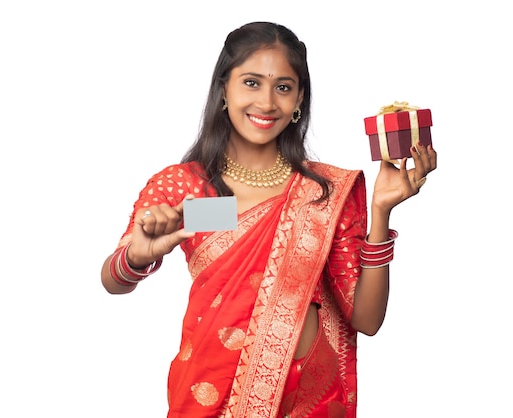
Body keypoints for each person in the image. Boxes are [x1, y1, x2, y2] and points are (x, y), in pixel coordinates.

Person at [100, 21, 437, 418]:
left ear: (298, 101)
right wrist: (137, 257)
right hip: (211, 397)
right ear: (223, 89)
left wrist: (380, 212)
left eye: (283, 87)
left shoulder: (324, 191)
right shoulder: (191, 189)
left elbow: (367, 318)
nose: (266, 102)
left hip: (309, 403)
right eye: (251, 82)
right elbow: (113, 281)